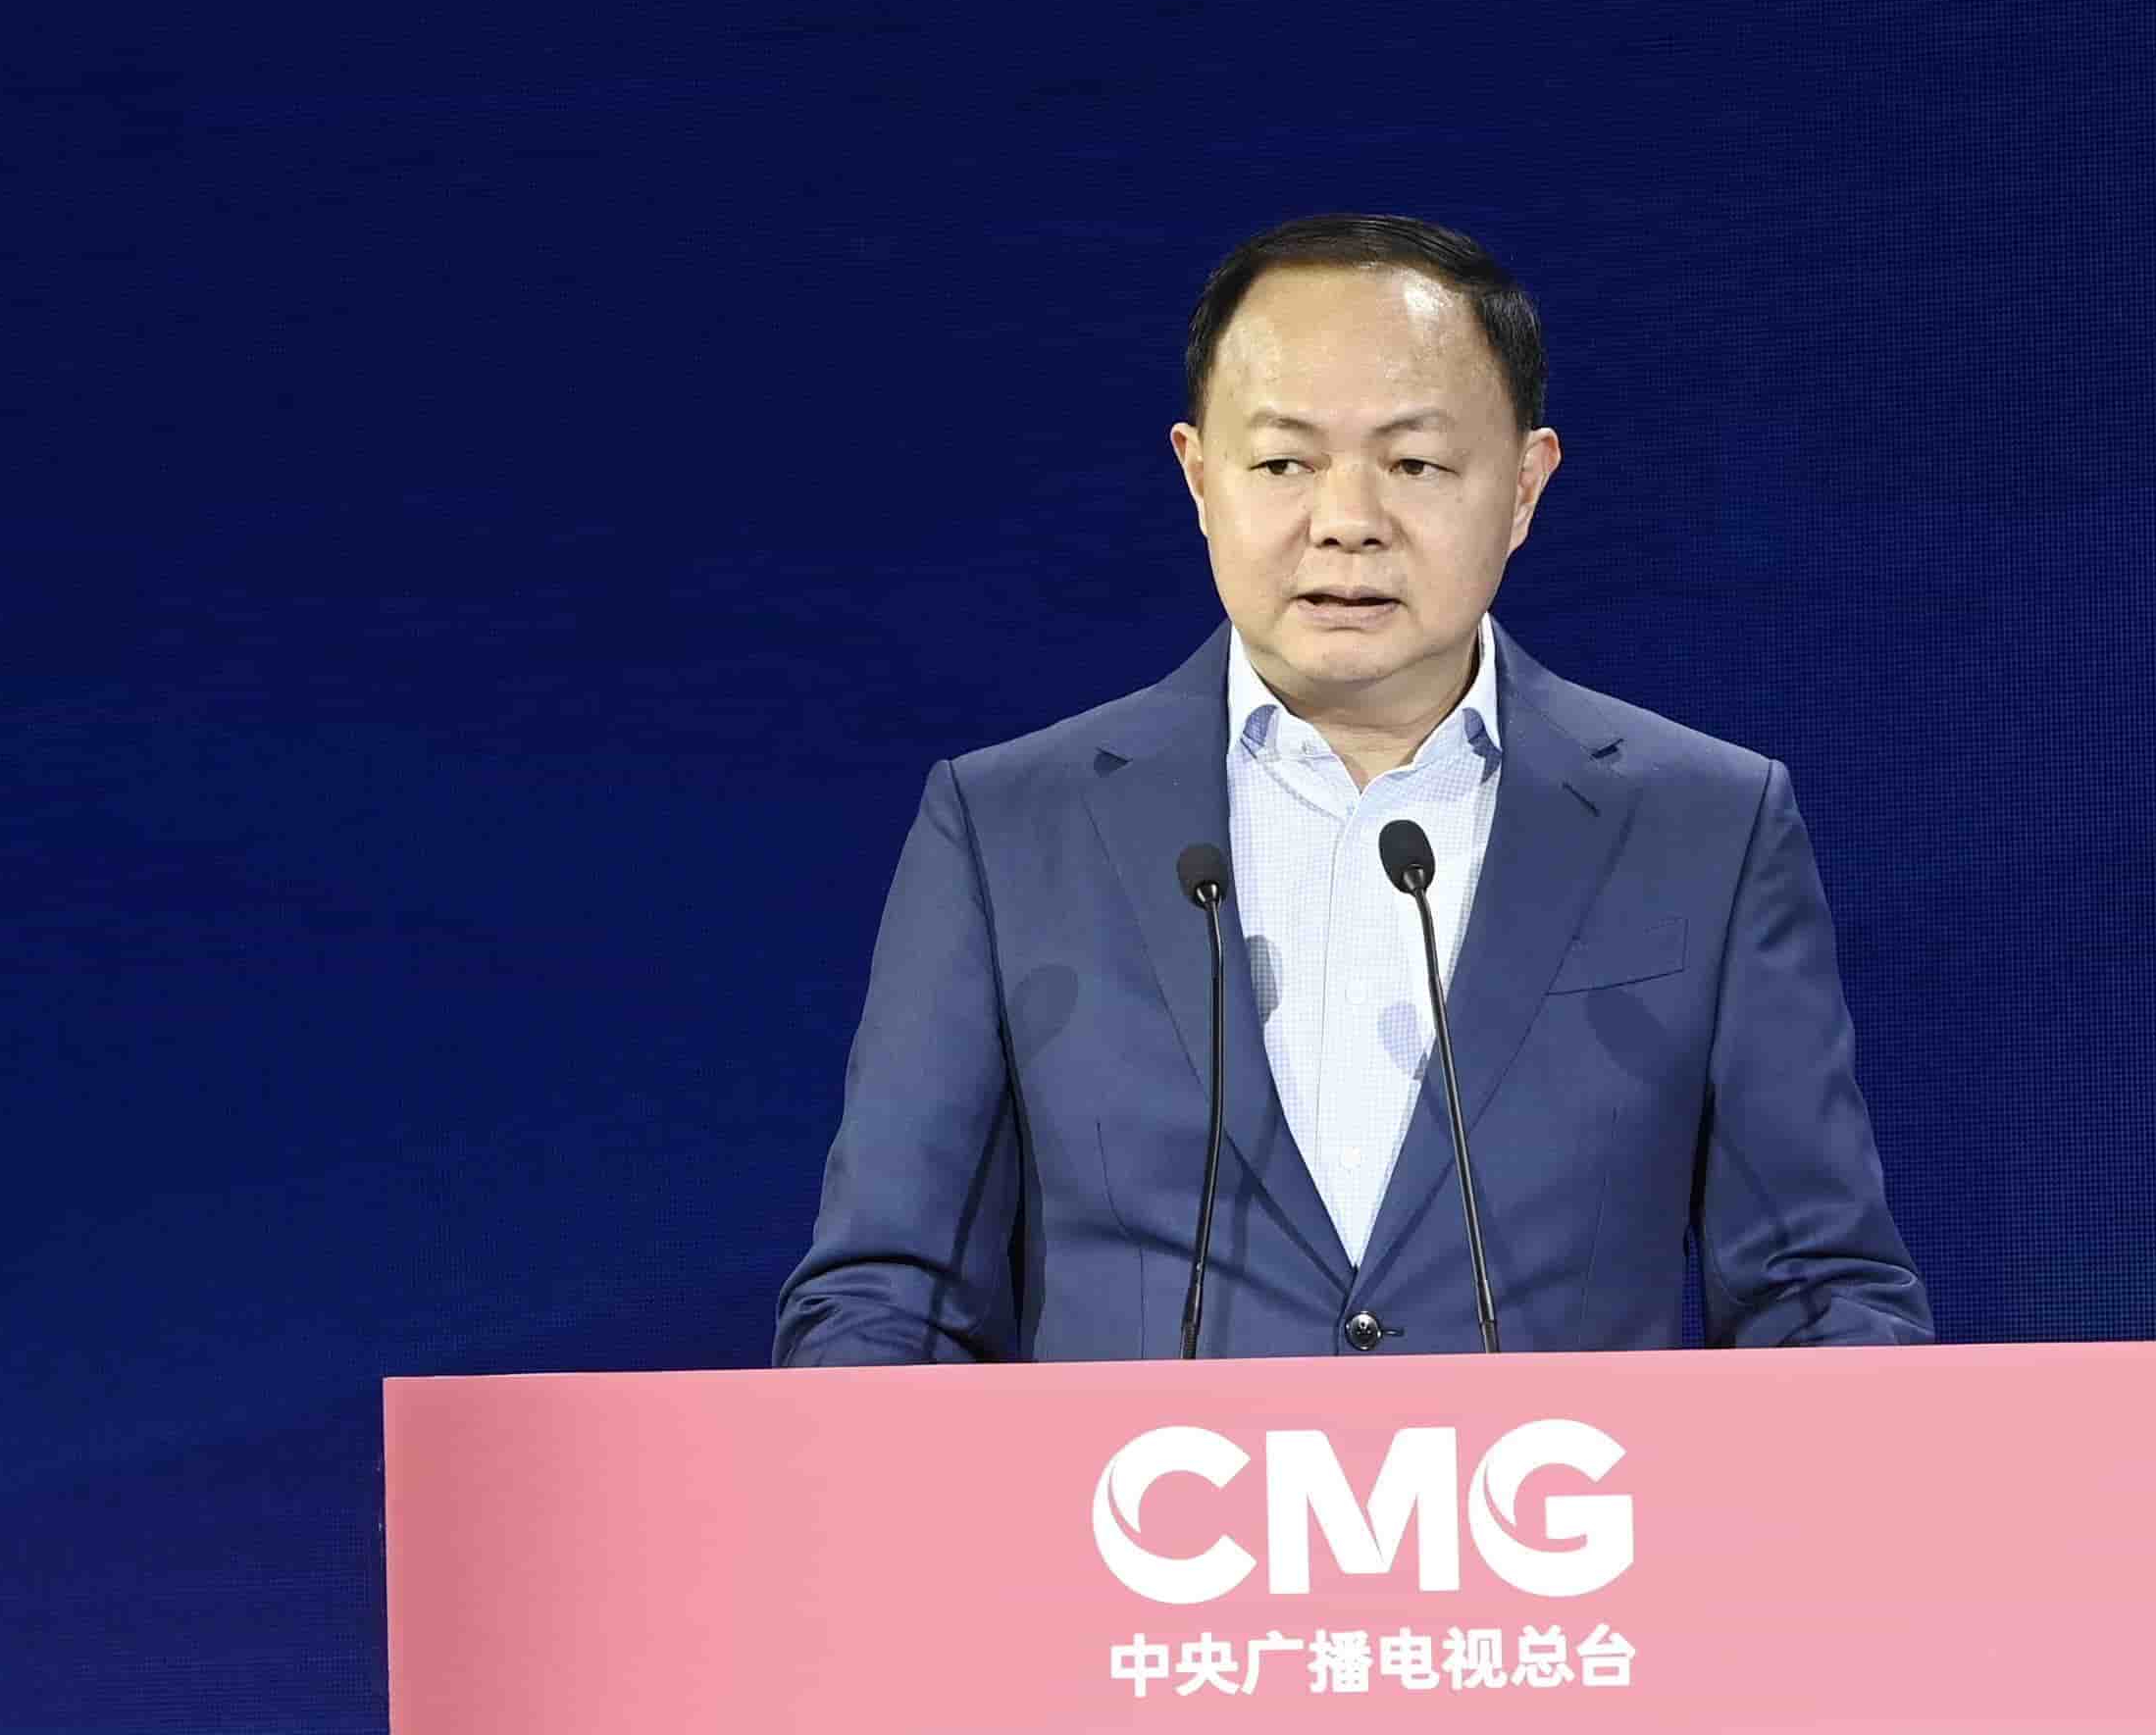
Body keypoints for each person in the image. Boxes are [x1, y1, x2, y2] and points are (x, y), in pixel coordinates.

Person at [777, 214, 1928, 1362]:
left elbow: (1821, 1294)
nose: (1346, 525)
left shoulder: (1706, 825)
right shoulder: (1006, 828)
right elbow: (886, 1302)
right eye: (1284, 463)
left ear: (1524, 486)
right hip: (1141, 1491)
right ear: (1198, 477)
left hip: (1554, 1488)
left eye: (1416, 464)